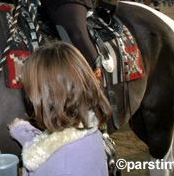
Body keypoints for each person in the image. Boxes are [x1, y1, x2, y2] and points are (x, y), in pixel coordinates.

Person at [8, 42, 111, 175]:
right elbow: (55, 145)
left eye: (31, 90)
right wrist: (23, 132)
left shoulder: (67, 169)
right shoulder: (81, 129)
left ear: (47, 97)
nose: (29, 97)